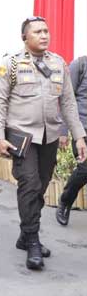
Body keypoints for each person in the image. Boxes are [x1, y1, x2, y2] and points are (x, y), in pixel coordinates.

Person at [0, 16, 86, 270]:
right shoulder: (10, 64)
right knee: (30, 185)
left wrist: (79, 136)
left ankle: (25, 234)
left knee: (41, 185)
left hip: (50, 136)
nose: (44, 35)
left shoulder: (58, 64)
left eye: (46, 31)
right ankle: (33, 240)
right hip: (22, 136)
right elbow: (0, 102)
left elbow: (68, 103)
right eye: (38, 32)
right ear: (25, 37)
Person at [56, 54, 87, 226]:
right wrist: (63, 130)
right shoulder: (80, 65)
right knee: (85, 169)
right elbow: (66, 99)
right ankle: (65, 202)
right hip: (82, 129)